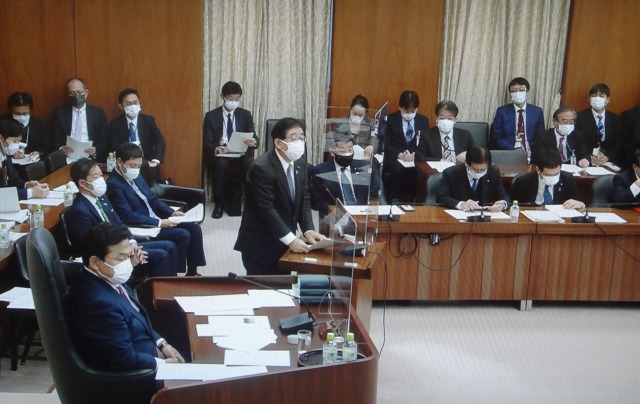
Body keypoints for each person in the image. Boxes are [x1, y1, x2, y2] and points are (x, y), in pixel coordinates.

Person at [66, 222, 184, 374]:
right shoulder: (98, 304)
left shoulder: (107, 276)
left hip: (150, 349)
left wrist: (161, 343)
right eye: (121, 258)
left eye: (128, 256)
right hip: (141, 374)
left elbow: (137, 315)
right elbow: (123, 359)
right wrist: (162, 365)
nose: (127, 264)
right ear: (95, 262)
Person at [234, 117, 324, 275]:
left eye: (302, 138)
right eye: (293, 138)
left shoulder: (300, 163)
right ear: (278, 143)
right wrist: (291, 239)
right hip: (261, 245)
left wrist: (308, 230)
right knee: (261, 287)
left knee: (284, 285)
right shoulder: (261, 168)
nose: (299, 142)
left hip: (285, 242)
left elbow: (304, 200)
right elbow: (266, 209)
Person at [66, 158, 179, 278]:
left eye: (100, 175)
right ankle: (156, 288)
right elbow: (90, 246)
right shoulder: (79, 211)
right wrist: (126, 252)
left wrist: (132, 242)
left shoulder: (101, 197)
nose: (100, 179)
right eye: (95, 177)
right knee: (161, 255)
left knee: (169, 246)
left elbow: (118, 222)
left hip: (122, 244)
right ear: (83, 183)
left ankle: (173, 285)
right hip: (111, 255)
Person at [107, 142, 205, 276]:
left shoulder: (135, 174)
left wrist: (171, 212)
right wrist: (159, 222)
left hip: (156, 217)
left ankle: (192, 272)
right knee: (183, 234)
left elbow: (152, 199)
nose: (136, 169)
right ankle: (175, 274)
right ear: (119, 162)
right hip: (144, 225)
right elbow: (127, 215)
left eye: (138, 166)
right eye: (132, 166)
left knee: (194, 229)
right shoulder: (114, 184)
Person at [203, 81, 259, 219]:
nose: (234, 102)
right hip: (222, 152)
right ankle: (219, 203)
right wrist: (217, 148)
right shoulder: (211, 116)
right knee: (221, 163)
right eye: (230, 99)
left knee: (250, 164)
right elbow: (207, 142)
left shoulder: (245, 114)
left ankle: (252, 202)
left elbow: (254, 136)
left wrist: (253, 142)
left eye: (237, 99)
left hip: (240, 152)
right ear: (222, 97)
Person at [311, 133, 379, 218]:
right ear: (332, 152)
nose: (347, 154)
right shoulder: (320, 171)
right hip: (336, 216)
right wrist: (334, 210)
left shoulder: (363, 167)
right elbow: (316, 202)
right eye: (342, 151)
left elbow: (374, 192)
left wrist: (370, 207)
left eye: (350, 150)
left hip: (362, 214)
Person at [108, 88, 166, 184]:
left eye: (135, 102)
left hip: (147, 164)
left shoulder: (148, 120)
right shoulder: (115, 124)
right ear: (121, 106)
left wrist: (155, 161)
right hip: (127, 166)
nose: (133, 106)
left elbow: (160, 141)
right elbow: (114, 147)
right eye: (128, 104)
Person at [383, 90, 429, 202]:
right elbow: (384, 143)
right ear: (400, 107)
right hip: (394, 157)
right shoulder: (390, 120)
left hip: (415, 157)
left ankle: (414, 200)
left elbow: (426, 143)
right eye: (406, 111)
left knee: (420, 170)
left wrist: (416, 154)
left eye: (412, 111)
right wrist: (399, 155)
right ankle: (395, 199)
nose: (409, 114)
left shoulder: (423, 121)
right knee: (398, 168)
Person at [437, 145, 510, 211]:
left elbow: (504, 196)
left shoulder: (493, 172)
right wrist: (461, 204)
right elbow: (441, 198)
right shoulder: (451, 173)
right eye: (475, 169)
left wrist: (503, 204)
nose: (479, 172)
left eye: (483, 170)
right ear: (466, 163)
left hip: (485, 216)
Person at [51, 78, 108, 161]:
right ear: (68, 94)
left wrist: (95, 150)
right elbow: (54, 140)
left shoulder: (98, 114)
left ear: (86, 93)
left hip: (90, 157)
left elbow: (104, 141)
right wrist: (61, 149)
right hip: (67, 157)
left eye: (79, 92)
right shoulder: (60, 113)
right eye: (72, 93)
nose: (76, 96)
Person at [509, 150, 584, 208]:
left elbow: (576, 202)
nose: (553, 178)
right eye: (548, 175)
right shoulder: (523, 181)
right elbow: (513, 205)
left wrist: (579, 204)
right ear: (538, 169)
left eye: (556, 174)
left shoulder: (567, 179)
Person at [490, 77, 545, 153]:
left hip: (531, 152)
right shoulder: (502, 111)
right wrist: (512, 150)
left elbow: (541, 136)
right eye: (514, 91)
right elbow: (496, 137)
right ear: (511, 94)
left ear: (527, 92)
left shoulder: (537, 112)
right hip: (509, 152)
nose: (517, 93)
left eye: (521, 90)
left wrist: (534, 152)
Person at [575, 83, 622, 167]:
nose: (597, 99)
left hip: (608, 162)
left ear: (608, 99)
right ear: (589, 99)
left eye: (601, 96)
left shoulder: (614, 118)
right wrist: (589, 157)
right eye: (594, 96)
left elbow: (618, 142)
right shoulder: (579, 117)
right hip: (586, 160)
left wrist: (607, 157)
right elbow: (578, 141)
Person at [0, 118, 49, 199]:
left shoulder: (6, 155)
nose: (16, 145)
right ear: (1, 138)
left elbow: (13, 179)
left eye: (18, 141)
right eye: (14, 141)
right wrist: (31, 193)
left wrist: (26, 185)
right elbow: (2, 195)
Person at [4, 92, 49, 160]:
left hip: (32, 161)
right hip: (9, 162)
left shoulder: (39, 124)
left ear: (30, 110)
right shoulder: (3, 124)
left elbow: (46, 147)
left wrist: (39, 153)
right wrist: (10, 154)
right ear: (11, 111)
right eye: (17, 114)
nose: (21, 117)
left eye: (25, 113)